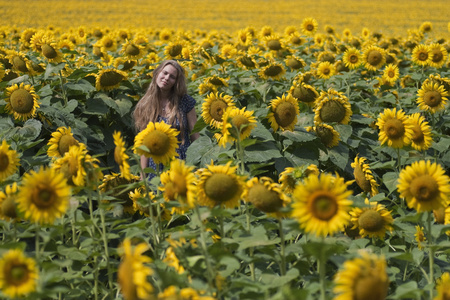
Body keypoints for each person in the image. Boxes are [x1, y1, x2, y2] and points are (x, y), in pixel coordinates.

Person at [133, 60, 199, 179]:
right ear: (158, 73)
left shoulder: (185, 102)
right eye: (165, 73)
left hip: (182, 163)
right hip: (156, 166)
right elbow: (144, 143)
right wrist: (143, 177)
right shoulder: (146, 104)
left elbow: (196, 136)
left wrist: (198, 167)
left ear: (176, 82)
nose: (167, 78)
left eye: (172, 77)